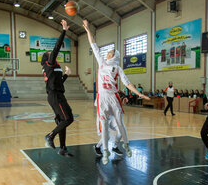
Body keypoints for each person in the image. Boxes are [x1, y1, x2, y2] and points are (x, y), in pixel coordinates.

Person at [83, 19, 150, 165]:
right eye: (107, 52)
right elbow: (93, 45)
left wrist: (139, 94)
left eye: (110, 52)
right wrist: (88, 30)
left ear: (113, 56)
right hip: (103, 100)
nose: (107, 53)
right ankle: (101, 148)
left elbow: (128, 83)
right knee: (104, 131)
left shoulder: (118, 68)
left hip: (113, 99)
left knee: (120, 129)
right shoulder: (101, 62)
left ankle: (116, 146)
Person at [42, 20, 74, 157]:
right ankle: (50, 136)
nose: (52, 54)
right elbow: (56, 48)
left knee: (62, 121)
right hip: (55, 95)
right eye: (50, 53)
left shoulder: (52, 68)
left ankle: (63, 148)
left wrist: (66, 75)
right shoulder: (50, 63)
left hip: (56, 94)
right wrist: (64, 30)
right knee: (68, 118)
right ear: (48, 58)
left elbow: (58, 81)